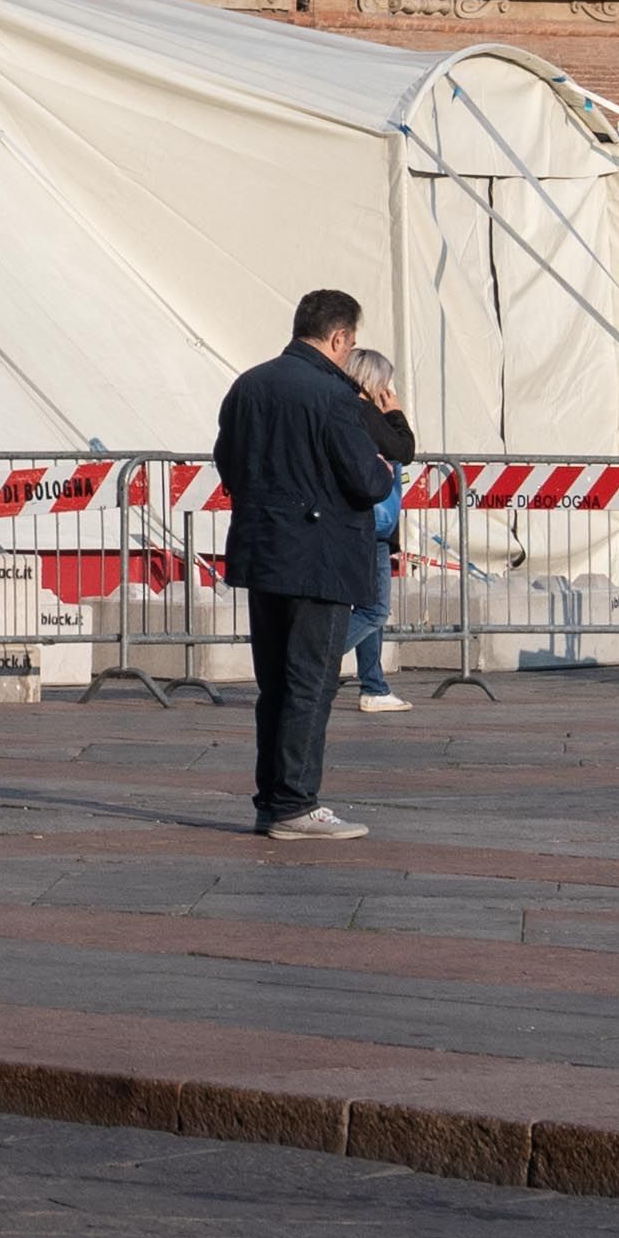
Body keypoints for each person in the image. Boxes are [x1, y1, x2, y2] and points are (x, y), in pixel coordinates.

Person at [214, 287, 398, 841]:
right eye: (350, 343)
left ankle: (272, 800)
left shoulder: (250, 383)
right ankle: (296, 804)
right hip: (319, 555)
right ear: (339, 337)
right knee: (311, 682)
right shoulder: (332, 393)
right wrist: (385, 474)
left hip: (263, 547)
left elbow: (228, 461)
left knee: (275, 683)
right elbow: (365, 479)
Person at [341, 345, 417, 717]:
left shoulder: (340, 409)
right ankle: (307, 663)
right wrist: (396, 414)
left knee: (362, 606)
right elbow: (403, 448)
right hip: (372, 523)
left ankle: (374, 684)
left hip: (353, 522)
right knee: (374, 610)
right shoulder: (365, 412)